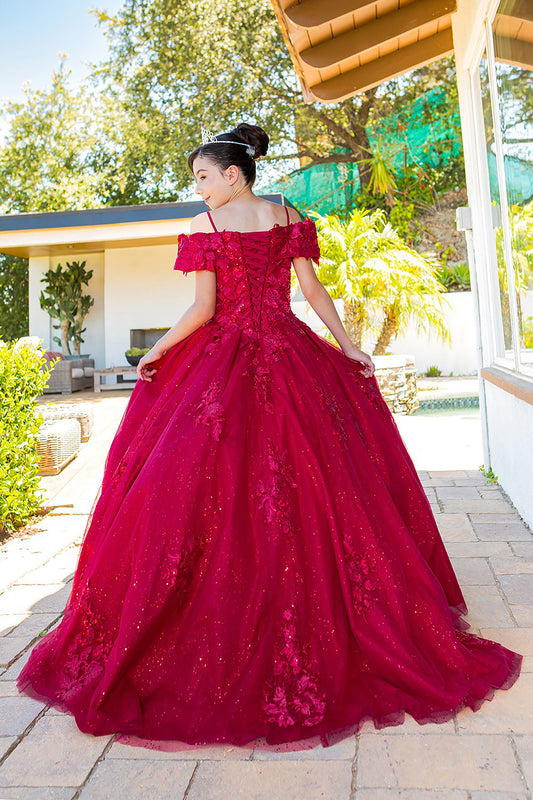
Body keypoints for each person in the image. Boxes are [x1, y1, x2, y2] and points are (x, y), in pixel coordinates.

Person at [17, 122, 522, 751]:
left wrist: (158, 353)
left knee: (207, 486)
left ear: (235, 175)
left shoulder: (207, 230)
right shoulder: (287, 217)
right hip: (290, 355)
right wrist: (350, 347)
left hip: (224, 361)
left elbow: (204, 310)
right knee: (316, 484)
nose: (196, 189)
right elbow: (312, 291)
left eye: (203, 177)